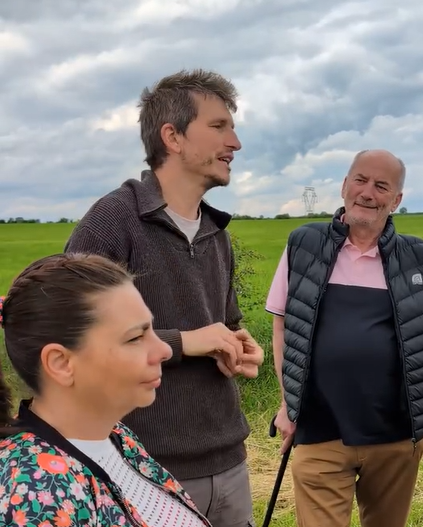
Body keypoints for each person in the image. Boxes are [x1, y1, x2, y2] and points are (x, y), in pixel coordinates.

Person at [64, 69, 263, 527]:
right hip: (143, 465)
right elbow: (74, 337)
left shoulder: (217, 231)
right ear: (171, 136)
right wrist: (186, 342)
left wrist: (238, 346)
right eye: (219, 127)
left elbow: (224, 323)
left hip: (229, 459)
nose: (235, 142)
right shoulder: (113, 221)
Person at [266, 149, 423, 527]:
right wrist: (289, 406)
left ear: (396, 200)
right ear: (344, 186)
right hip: (318, 431)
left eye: (381, 186)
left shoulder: (418, 258)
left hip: (396, 437)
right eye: (360, 180)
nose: (367, 192)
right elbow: (284, 327)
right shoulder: (303, 245)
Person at [0, 253, 212, 526]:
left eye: (152, 330)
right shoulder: (37, 495)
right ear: (62, 363)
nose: (164, 349)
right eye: (136, 337)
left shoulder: (114, 436)